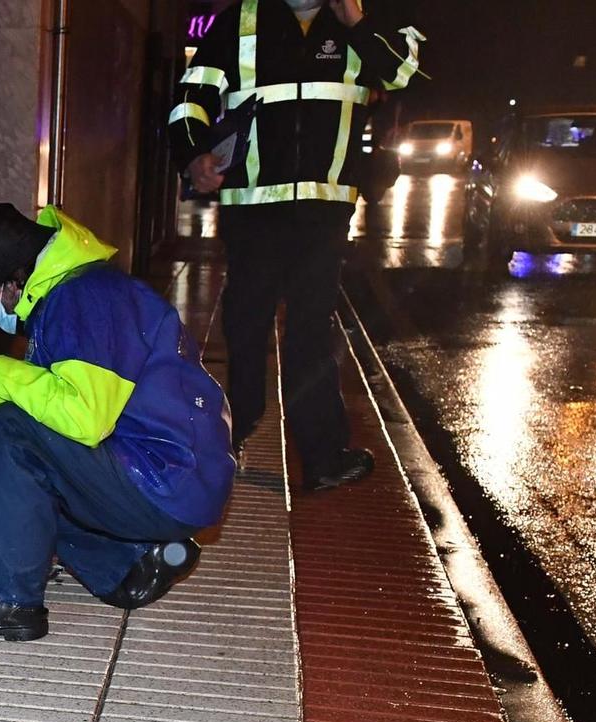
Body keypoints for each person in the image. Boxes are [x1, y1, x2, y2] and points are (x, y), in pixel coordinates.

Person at [0, 204, 236, 644]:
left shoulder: (84, 299)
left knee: (14, 437)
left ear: (13, 282)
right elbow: (53, 419)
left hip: (163, 477)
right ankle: (135, 562)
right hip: (176, 477)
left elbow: (82, 419)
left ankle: (5, 599)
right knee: (27, 479)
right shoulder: (82, 293)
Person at [171, 0, 423, 491]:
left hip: (324, 212)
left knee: (311, 332)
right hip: (253, 210)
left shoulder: (364, 19)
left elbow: (401, 75)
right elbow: (190, 98)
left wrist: (355, 19)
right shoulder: (242, 19)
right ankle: (227, 438)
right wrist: (193, 153)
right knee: (245, 327)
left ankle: (323, 457)